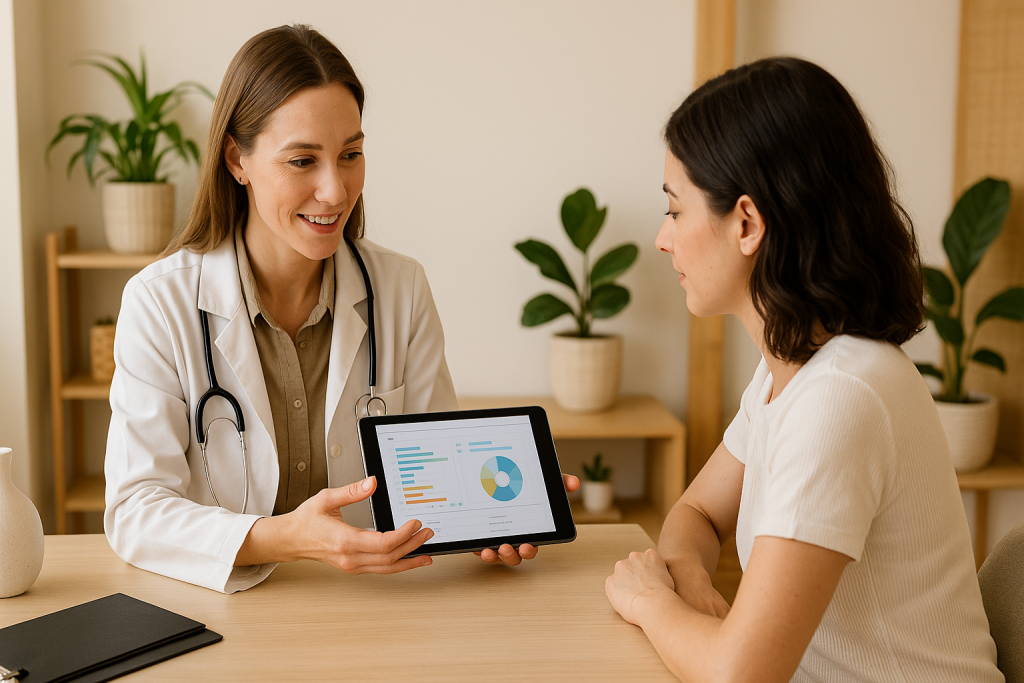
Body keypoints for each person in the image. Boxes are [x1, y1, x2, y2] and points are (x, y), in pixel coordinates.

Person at [105, 25, 574, 594]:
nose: (335, 189)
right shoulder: (160, 302)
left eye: (351, 153)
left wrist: (485, 518)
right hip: (224, 612)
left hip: (375, 606)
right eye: (303, 160)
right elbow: (135, 511)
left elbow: (439, 477)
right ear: (237, 159)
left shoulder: (402, 289)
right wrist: (286, 538)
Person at [604, 57, 1003, 682]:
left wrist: (650, 601)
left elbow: (741, 676)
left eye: (675, 211)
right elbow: (697, 515)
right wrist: (687, 578)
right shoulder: (789, 370)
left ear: (746, 223)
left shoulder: (840, 396)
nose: (663, 238)